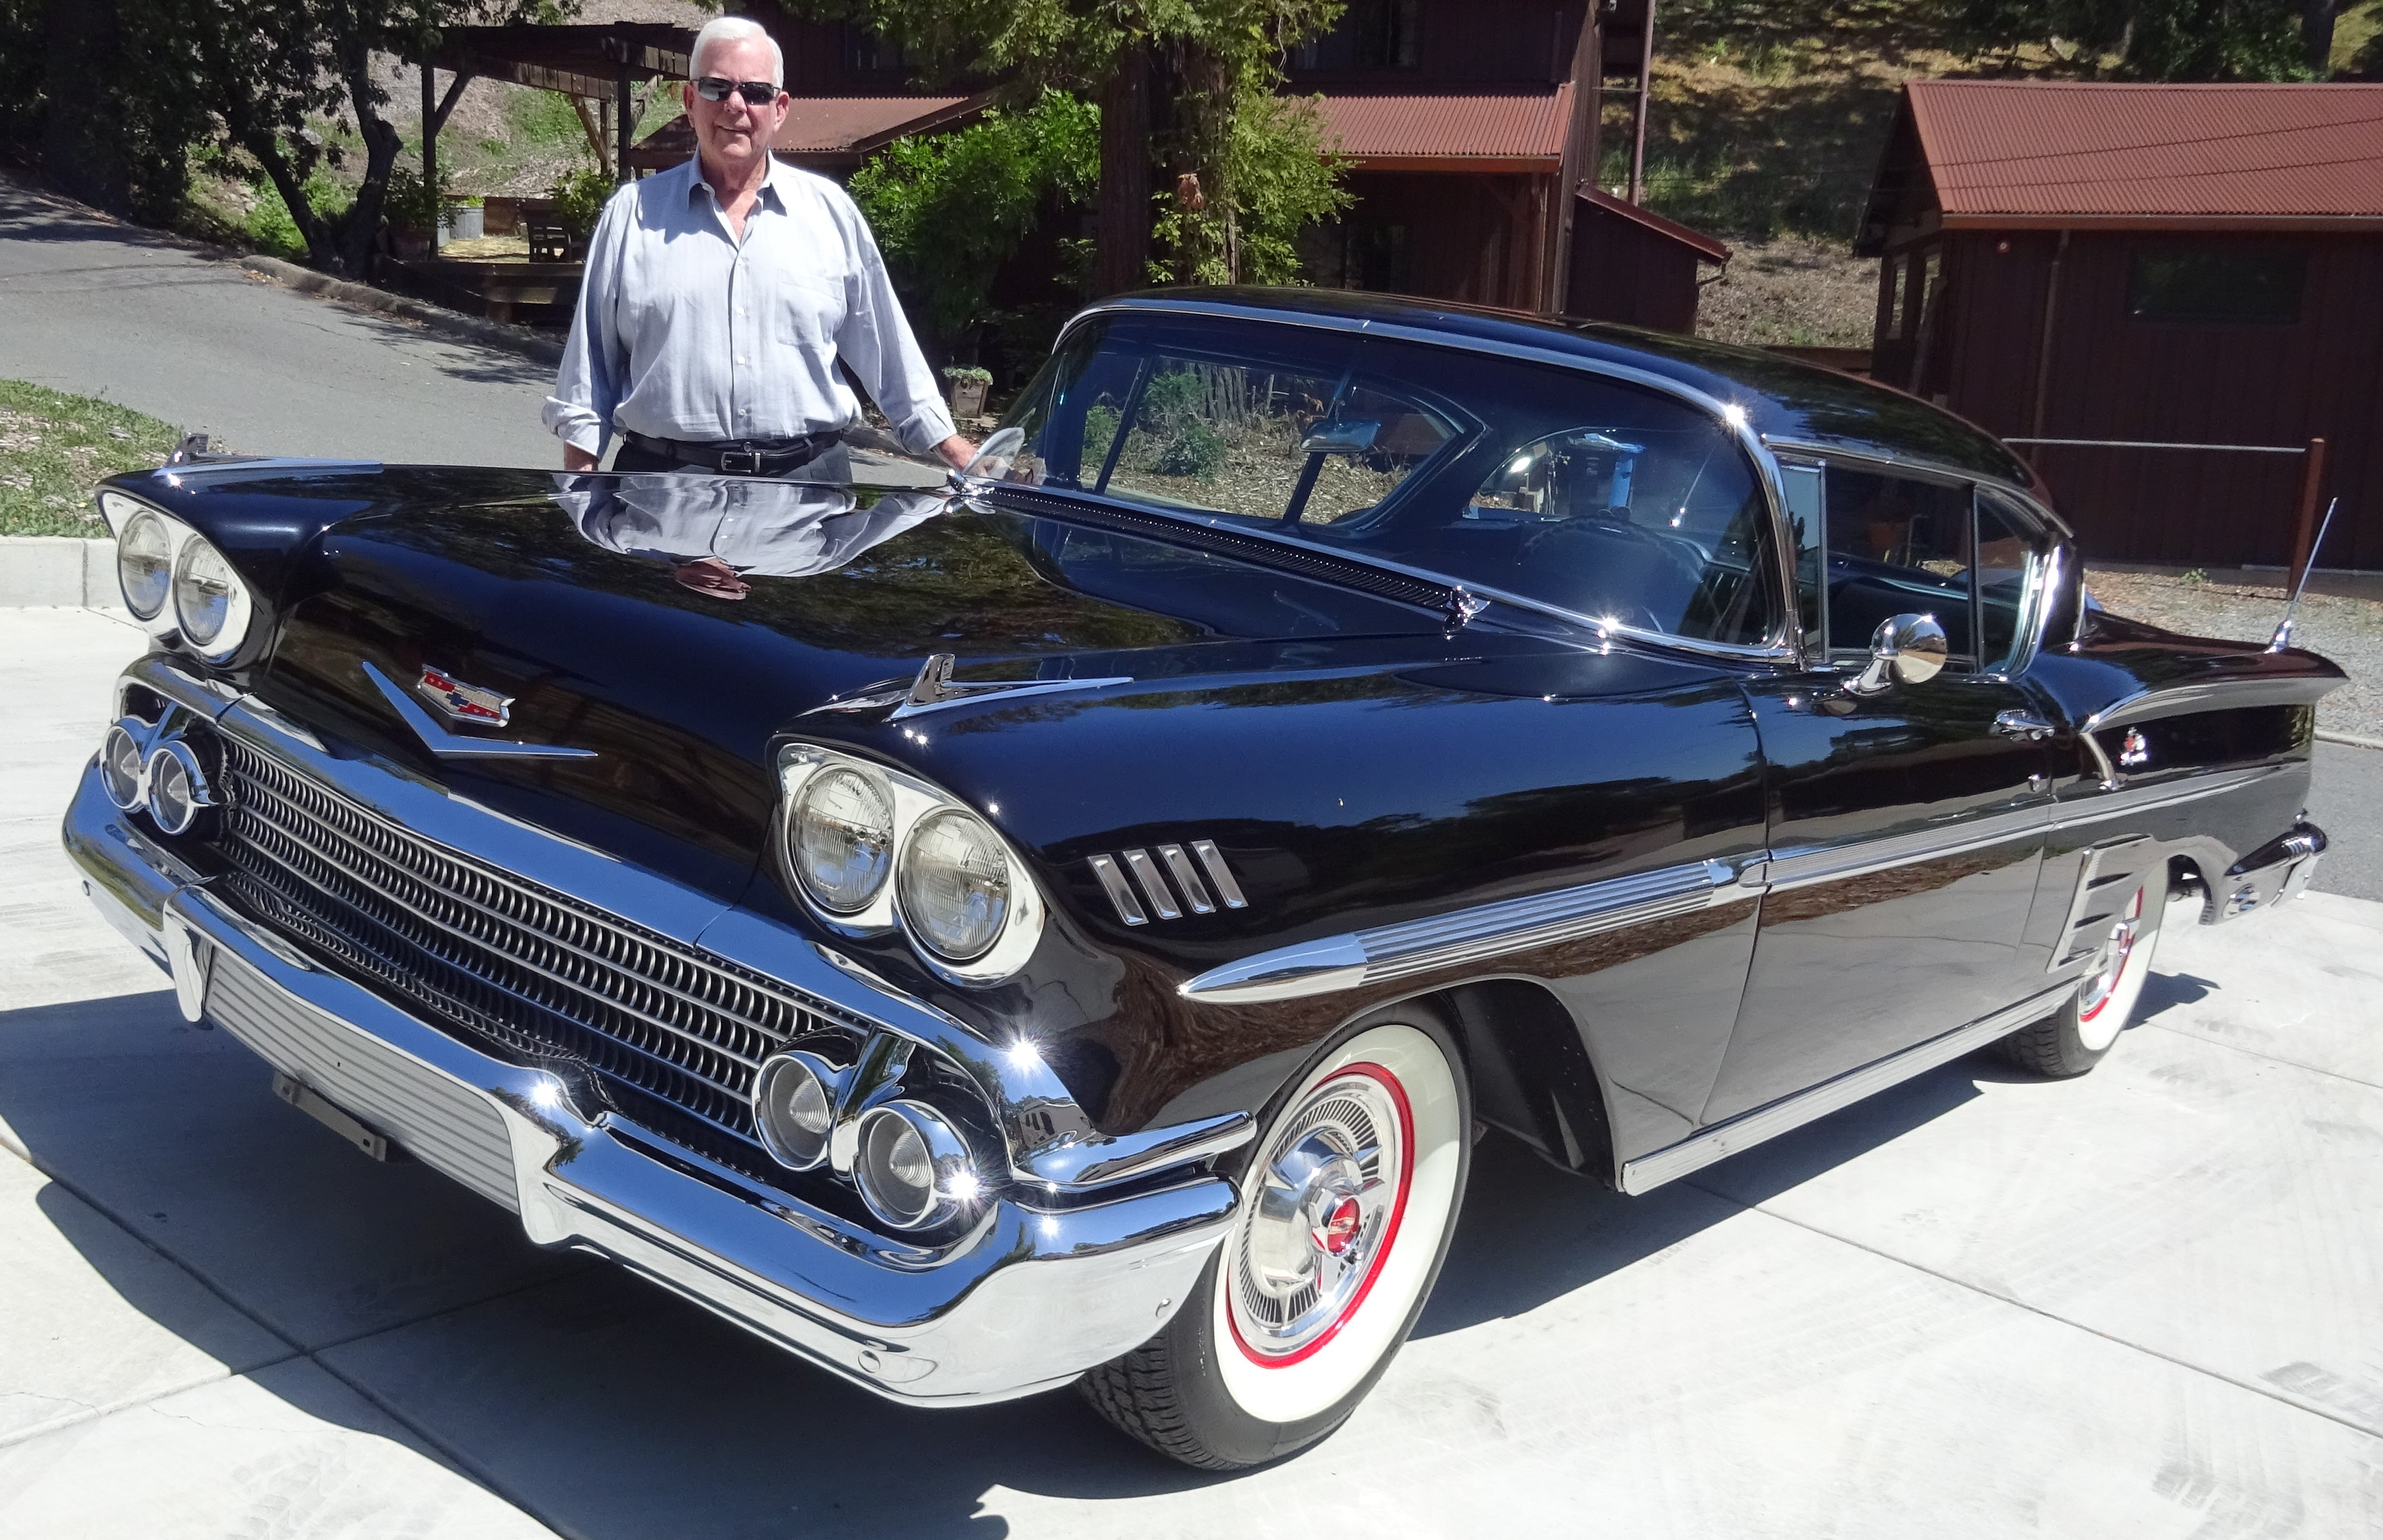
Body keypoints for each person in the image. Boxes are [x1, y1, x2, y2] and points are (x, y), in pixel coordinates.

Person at [543, 15, 973, 477]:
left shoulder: (830, 213)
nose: (735, 105)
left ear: (780, 108)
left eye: (755, 92)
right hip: (662, 494)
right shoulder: (631, 215)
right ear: (690, 100)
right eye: (716, 88)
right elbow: (589, 375)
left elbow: (886, 350)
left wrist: (959, 453)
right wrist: (580, 498)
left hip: (810, 497)